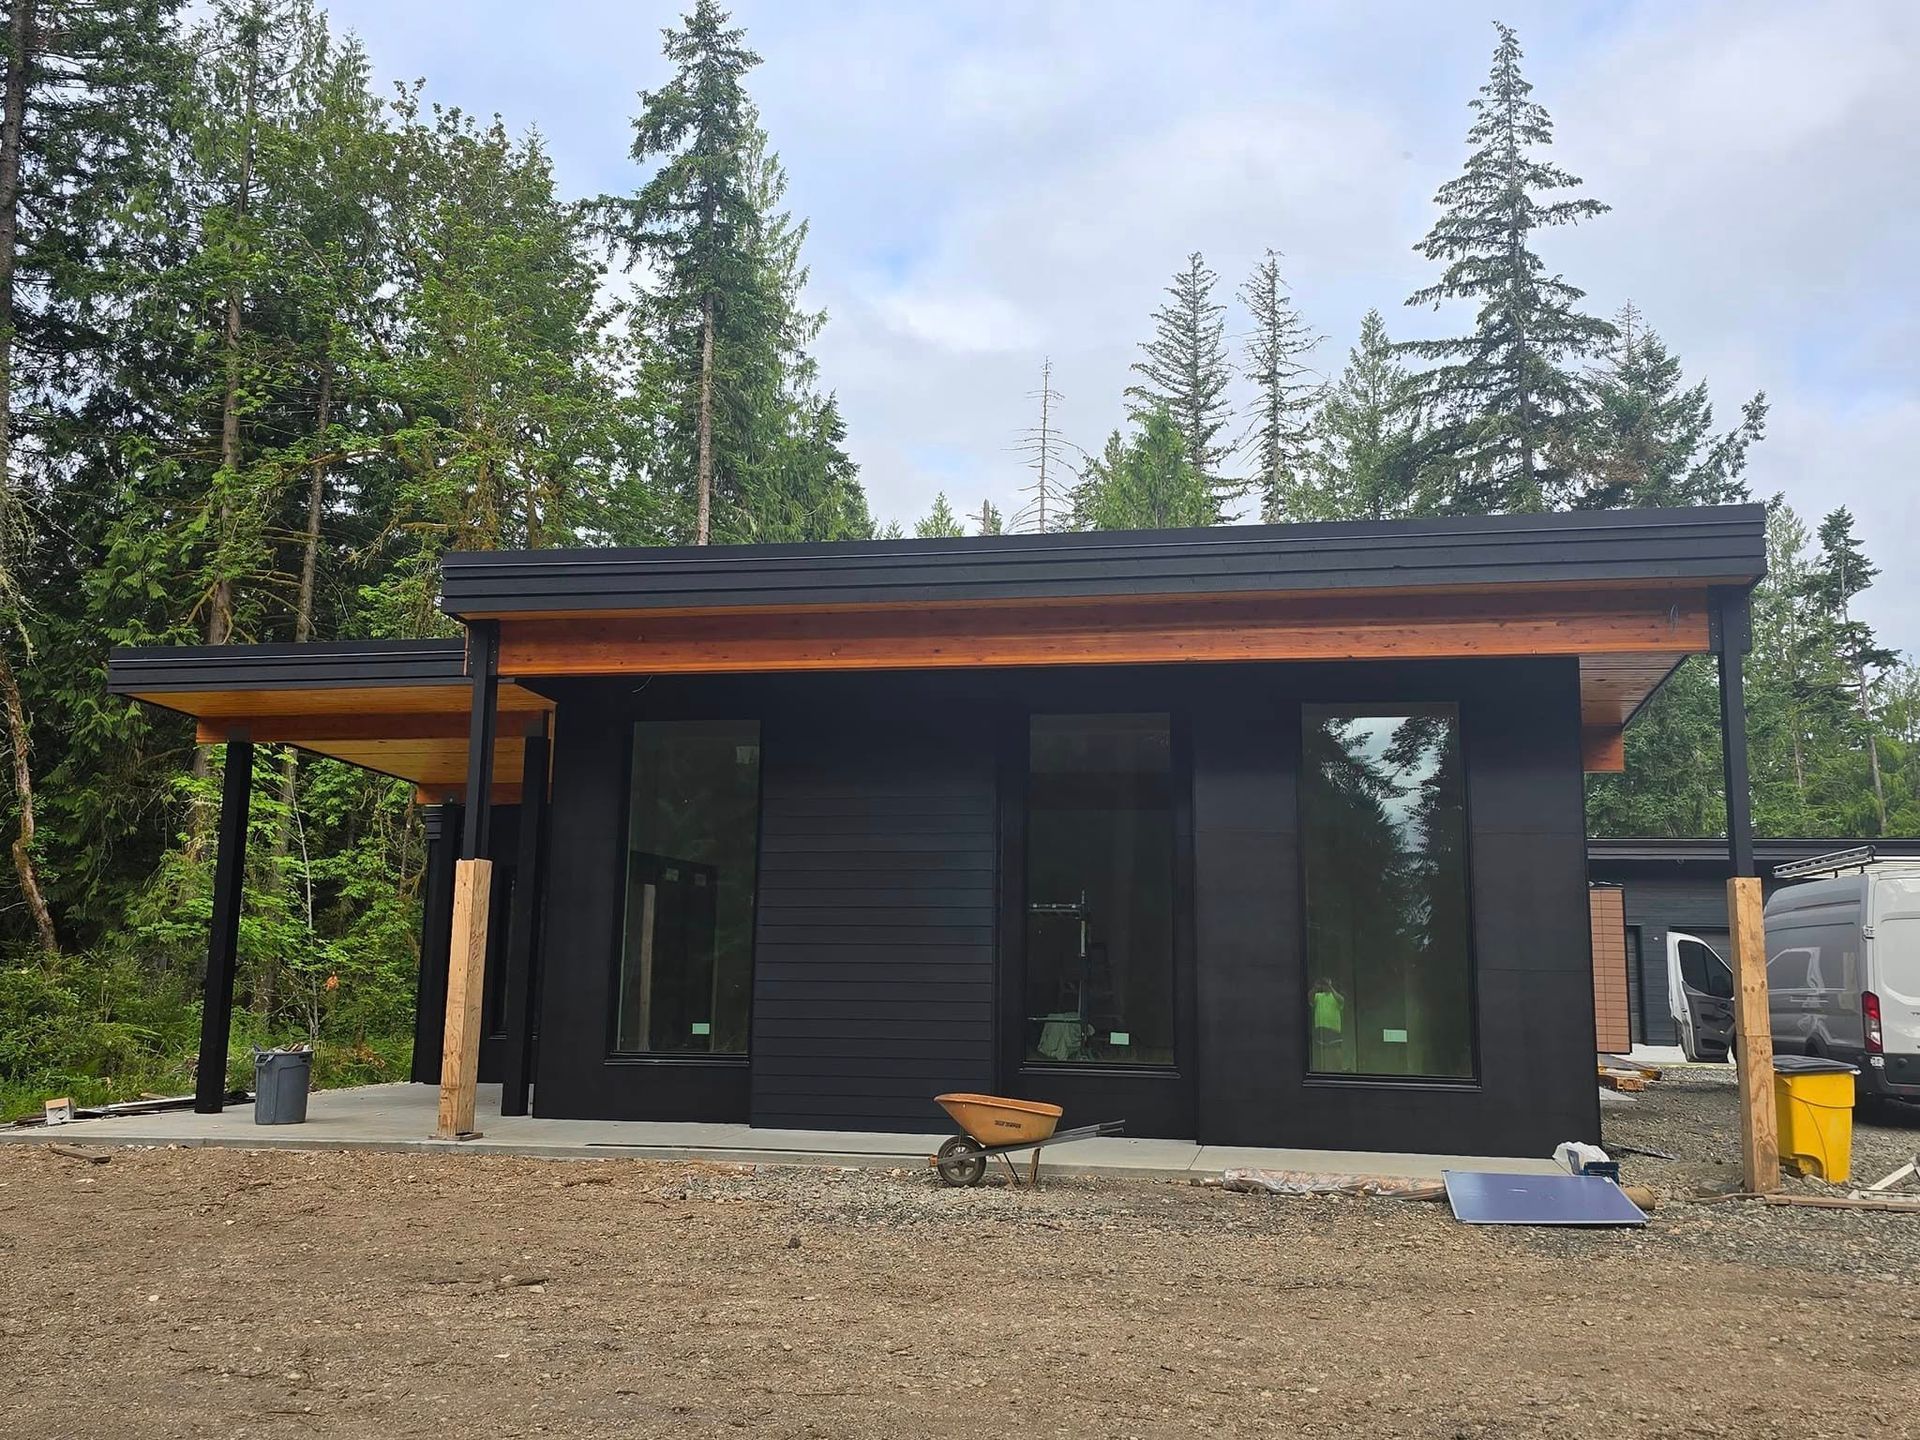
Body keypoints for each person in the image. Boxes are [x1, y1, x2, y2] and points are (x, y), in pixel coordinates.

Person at [1310, 976, 1347, 1072]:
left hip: (1333, 1029)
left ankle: (1339, 1071)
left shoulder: (1336, 996)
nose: (1325, 985)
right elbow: (1310, 998)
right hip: (1321, 1029)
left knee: (1336, 1052)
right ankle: (1319, 1071)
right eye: (1324, 984)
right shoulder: (1318, 996)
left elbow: (1341, 1000)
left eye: (1327, 983)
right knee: (1321, 1052)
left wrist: (1330, 987)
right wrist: (1315, 987)